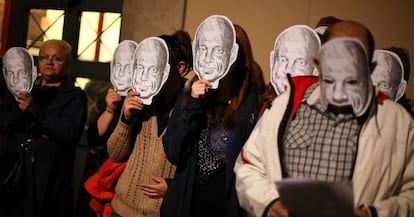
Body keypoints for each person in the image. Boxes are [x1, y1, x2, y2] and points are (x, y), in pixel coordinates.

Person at [234, 20, 414, 217]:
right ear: (318, 64)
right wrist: (269, 203)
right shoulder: (283, 108)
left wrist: (376, 214)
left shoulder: (399, 124)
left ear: (370, 68)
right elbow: (248, 167)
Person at [160, 21, 266, 217]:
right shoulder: (192, 95)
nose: (210, 58)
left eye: (219, 50)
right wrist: (192, 102)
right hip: (185, 207)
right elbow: (174, 151)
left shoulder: (251, 105)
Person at [106, 30, 193, 217]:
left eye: (155, 68)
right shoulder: (139, 98)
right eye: (142, 67)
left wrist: (173, 185)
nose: (145, 76)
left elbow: (197, 165)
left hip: (160, 210)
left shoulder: (192, 104)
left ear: (179, 68)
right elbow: (115, 154)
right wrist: (125, 119)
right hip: (122, 206)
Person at [0, 39, 88, 217]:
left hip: (48, 178)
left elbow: (68, 134)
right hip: (14, 171)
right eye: (44, 58)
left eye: (57, 59)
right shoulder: (23, 88)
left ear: (67, 63)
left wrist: (33, 110)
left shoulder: (74, 96)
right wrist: (42, 129)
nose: (49, 63)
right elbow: (5, 123)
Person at [270, 24, 321, 96]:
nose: (288, 70)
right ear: (272, 62)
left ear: (316, 70)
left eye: (300, 63)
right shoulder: (264, 103)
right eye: (283, 60)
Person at [192, 15, 239, 89]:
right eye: (203, 49)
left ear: (233, 54)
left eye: (218, 50)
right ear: (194, 50)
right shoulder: (186, 94)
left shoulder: (236, 94)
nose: (207, 59)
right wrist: (194, 98)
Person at [132, 37, 171, 105]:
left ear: (165, 74)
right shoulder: (125, 100)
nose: (143, 77)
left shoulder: (167, 106)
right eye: (140, 68)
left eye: (153, 69)